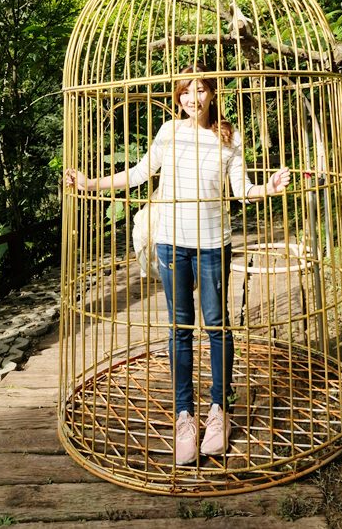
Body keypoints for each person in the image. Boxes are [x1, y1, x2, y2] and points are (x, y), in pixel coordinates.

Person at [65, 66, 290, 466]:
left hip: (212, 245)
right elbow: (138, 173)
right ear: (178, 96)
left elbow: (242, 190)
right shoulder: (168, 132)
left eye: (200, 91)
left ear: (212, 93)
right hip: (171, 245)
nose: (193, 99)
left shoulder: (229, 135)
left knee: (218, 326)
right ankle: (185, 416)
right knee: (179, 328)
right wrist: (90, 183)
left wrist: (268, 188)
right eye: (186, 92)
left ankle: (219, 411)